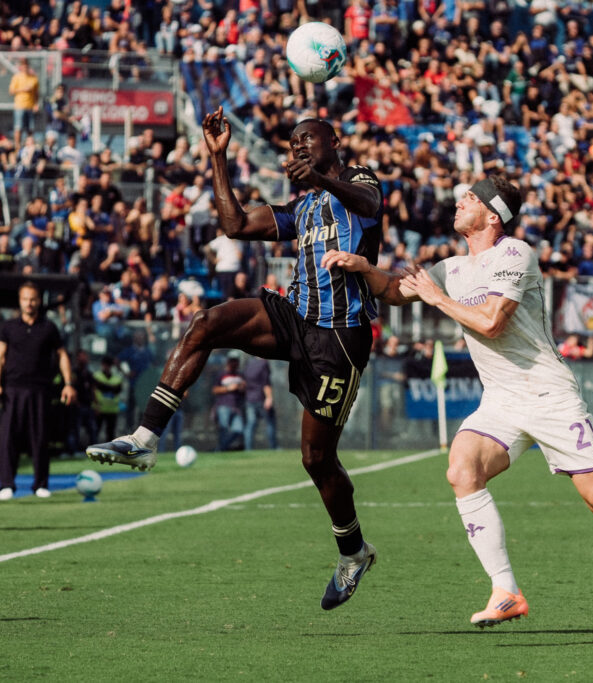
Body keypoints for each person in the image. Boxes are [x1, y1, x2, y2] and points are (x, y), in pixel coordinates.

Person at [321, 176, 593, 644]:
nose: (459, 201)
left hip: (549, 395)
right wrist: (365, 267)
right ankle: (506, 590)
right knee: (461, 470)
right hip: (501, 401)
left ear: (492, 215)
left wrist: (437, 298)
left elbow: (491, 323)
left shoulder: (515, 254)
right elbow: (395, 289)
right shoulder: (451, 268)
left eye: (470, 197)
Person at [87, 109, 383, 611]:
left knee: (316, 459)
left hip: (339, 337)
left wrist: (319, 178)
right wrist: (218, 157)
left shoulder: (359, 181)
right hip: (296, 314)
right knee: (206, 322)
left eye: (308, 138)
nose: (298, 146)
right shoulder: (303, 206)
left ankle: (354, 552)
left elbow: (370, 203)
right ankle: (144, 439)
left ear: (334, 141)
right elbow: (235, 224)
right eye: (293, 143)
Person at [0, 282, 77, 500]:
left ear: (39, 301)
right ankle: (6, 485)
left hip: (40, 389)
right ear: (20, 301)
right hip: (12, 389)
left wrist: (68, 383)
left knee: (40, 437)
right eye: (25, 299)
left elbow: (62, 355)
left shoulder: (48, 327)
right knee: (8, 438)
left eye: (33, 299)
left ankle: (41, 484)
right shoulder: (8, 327)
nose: (29, 303)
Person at [213, 353, 246, 451]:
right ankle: (221, 450)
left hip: (237, 407)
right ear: (228, 362)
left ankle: (220, 449)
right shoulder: (221, 374)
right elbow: (214, 390)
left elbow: (245, 390)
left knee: (239, 430)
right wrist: (228, 388)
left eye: (236, 361)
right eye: (232, 361)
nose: (234, 363)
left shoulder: (240, 375)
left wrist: (242, 387)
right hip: (223, 406)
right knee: (224, 430)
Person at [243, 356, 277, 451]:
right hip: (261, 398)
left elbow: (244, 382)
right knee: (270, 423)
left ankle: (248, 449)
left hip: (249, 399)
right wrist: (269, 398)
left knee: (251, 424)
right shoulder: (264, 364)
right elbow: (266, 383)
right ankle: (273, 447)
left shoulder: (249, 363)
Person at [92, 356, 123, 441]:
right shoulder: (97, 376)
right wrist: (111, 387)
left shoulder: (117, 378)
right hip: (99, 408)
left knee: (110, 433)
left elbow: (117, 390)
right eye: (105, 365)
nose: (107, 367)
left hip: (112, 409)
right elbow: (95, 388)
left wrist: (103, 386)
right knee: (95, 431)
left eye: (109, 365)